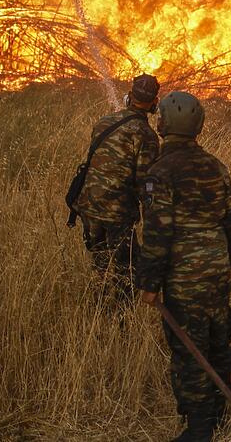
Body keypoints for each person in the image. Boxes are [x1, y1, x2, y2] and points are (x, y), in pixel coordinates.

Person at [138, 91, 231, 442]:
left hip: (185, 277)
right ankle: (221, 416)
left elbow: (157, 235)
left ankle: (199, 431)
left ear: (162, 123)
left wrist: (150, 284)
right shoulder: (217, 165)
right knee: (218, 341)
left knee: (189, 350)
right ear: (198, 126)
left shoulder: (159, 173)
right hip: (216, 269)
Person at [74, 74, 160, 303]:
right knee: (127, 268)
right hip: (117, 212)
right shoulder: (146, 135)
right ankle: (122, 319)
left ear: (128, 97)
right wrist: (153, 217)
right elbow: (146, 182)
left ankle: (97, 306)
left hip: (89, 204)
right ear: (154, 104)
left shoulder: (104, 121)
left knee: (100, 262)